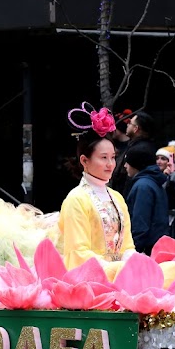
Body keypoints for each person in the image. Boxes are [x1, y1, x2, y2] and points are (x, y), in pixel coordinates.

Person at [57, 103, 135, 280]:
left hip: (120, 277)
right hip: (88, 281)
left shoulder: (117, 198)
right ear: (84, 160)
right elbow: (78, 254)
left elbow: (127, 246)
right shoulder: (76, 199)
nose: (110, 164)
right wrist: (118, 269)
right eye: (103, 158)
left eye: (113, 157)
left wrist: (134, 264)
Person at [123, 145, 169, 255]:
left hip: (146, 250)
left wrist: (134, 251)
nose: (125, 166)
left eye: (127, 162)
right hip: (156, 247)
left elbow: (140, 223)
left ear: (136, 164)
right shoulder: (152, 182)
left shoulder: (143, 186)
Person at [112, 110, 156, 195]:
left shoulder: (139, 151)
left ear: (136, 129)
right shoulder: (137, 146)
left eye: (130, 123)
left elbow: (129, 180)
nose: (127, 125)